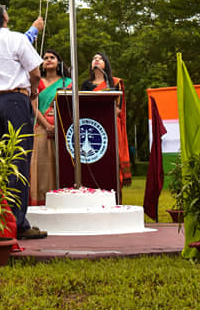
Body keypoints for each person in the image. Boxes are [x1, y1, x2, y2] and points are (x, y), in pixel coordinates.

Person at [0, 1, 47, 240]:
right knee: (19, 161)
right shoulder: (16, 38)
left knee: (0, 161)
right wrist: (34, 91)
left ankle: (0, 217)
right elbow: (35, 71)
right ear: (4, 17)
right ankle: (18, 223)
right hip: (15, 100)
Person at [82, 52, 132, 190]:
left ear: (106, 63)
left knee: (111, 161)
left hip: (110, 127)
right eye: (94, 58)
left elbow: (118, 109)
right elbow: (82, 106)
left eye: (100, 58)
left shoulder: (114, 83)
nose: (96, 60)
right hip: (92, 128)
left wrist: (101, 113)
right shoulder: (86, 85)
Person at [30, 49, 71, 205]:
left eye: (52, 57)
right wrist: (47, 126)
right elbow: (34, 107)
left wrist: (58, 126)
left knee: (61, 164)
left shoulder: (67, 83)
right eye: (45, 58)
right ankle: (41, 202)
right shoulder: (37, 82)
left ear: (58, 62)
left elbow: (71, 107)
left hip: (64, 129)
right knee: (42, 166)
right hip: (41, 129)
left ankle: (62, 201)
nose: (48, 60)